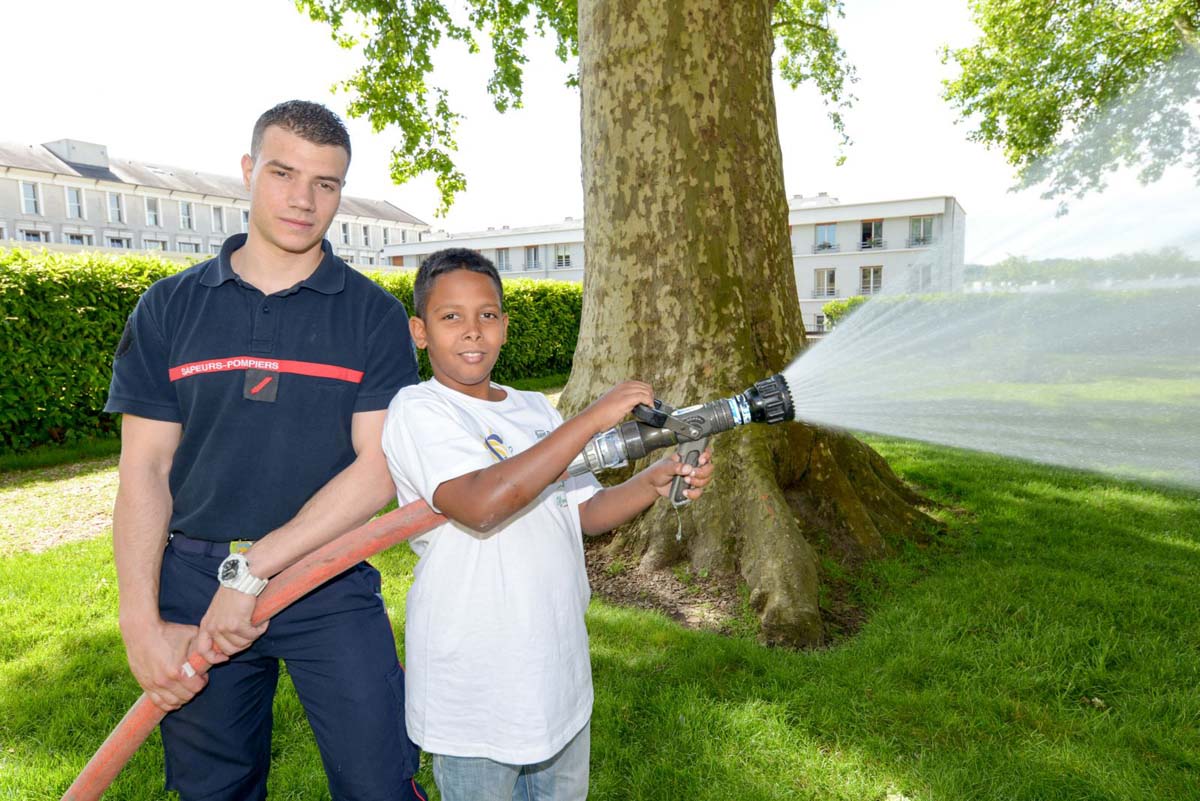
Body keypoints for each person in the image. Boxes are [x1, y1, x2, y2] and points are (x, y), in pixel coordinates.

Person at [104, 100, 425, 801]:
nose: (303, 199)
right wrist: (141, 621)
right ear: (249, 172)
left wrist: (252, 572)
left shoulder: (374, 316)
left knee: (381, 783)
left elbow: (378, 473)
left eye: (326, 183)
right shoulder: (167, 308)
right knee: (213, 789)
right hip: (191, 579)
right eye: (283, 173)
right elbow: (145, 470)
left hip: (326, 578)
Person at [381, 248, 715, 800]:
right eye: (450, 317)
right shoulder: (420, 410)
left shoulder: (535, 409)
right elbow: (482, 504)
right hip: (476, 688)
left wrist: (650, 483)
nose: (472, 331)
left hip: (556, 673)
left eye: (487, 315)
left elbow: (581, 511)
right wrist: (590, 420)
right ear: (420, 331)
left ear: (506, 327)